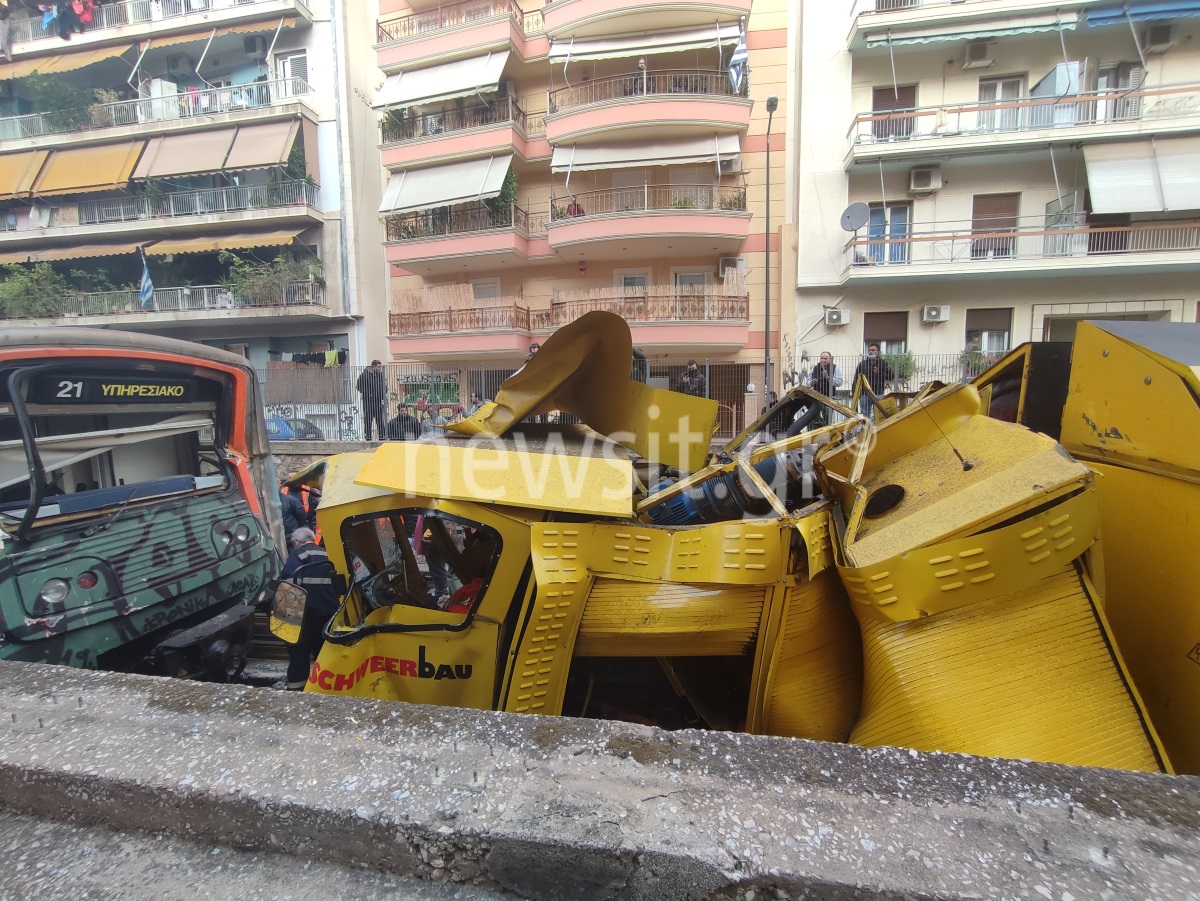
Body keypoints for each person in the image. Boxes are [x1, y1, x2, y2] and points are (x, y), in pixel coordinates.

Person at [277, 527, 339, 690]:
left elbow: (287, 585)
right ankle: (322, 689)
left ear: (296, 542)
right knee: (323, 657)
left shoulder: (297, 556)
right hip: (328, 616)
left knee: (299, 657)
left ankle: (297, 691)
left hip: (303, 618)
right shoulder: (327, 554)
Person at [852, 344, 894, 416]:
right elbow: (856, 378)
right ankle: (866, 427)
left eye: (873, 350)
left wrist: (879, 373)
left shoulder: (883, 363)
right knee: (865, 415)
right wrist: (854, 392)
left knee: (879, 415)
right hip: (865, 394)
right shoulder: (862, 364)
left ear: (878, 352)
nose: (870, 352)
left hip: (878, 393)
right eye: (869, 350)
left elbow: (891, 376)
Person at [356, 359, 388, 441]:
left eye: (380, 367)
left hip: (378, 402)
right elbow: (359, 386)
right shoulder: (364, 375)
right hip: (368, 402)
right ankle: (368, 438)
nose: (380, 369)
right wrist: (368, 393)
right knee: (368, 421)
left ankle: (382, 437)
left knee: (380, 421)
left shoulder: (380, 376)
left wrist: (383, 394)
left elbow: (385, 387)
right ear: (373, 367)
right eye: (378, 367)